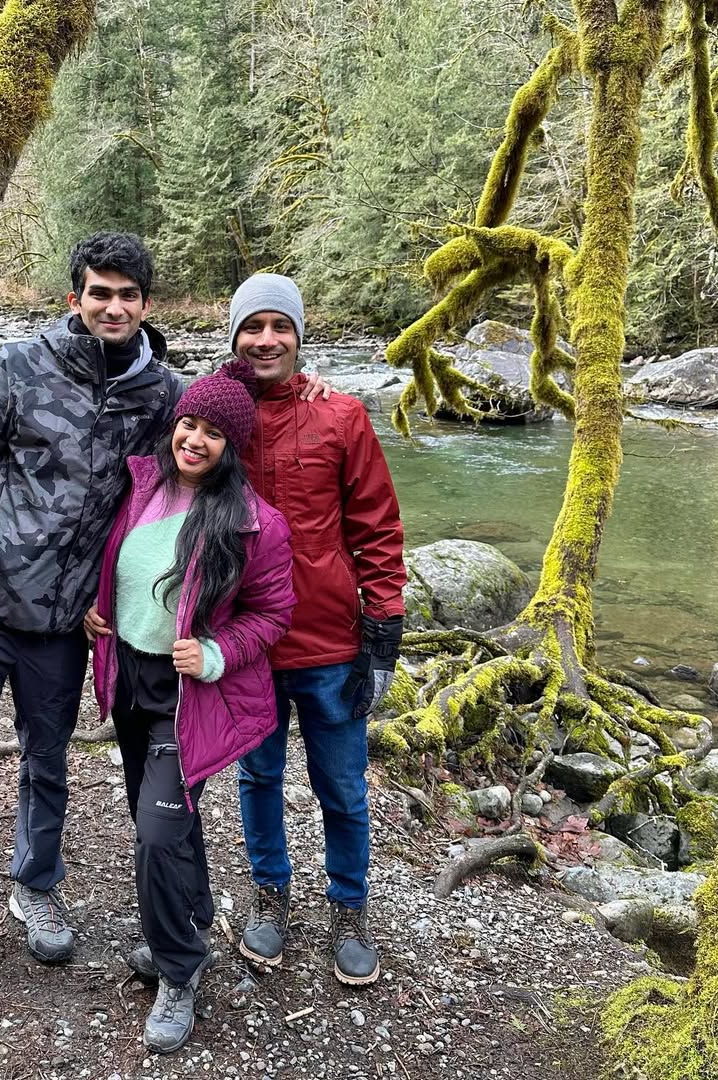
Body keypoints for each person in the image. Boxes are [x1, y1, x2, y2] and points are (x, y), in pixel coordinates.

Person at [0, 232, 185, 999]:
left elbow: (209, 454)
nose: (113, 307)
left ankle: (36, 885)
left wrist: (301, 386)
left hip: (64, 626)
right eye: (100, 293)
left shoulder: (161, 396)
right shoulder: (17, 368)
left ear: (145, 305)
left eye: (127, 295)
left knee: (47, 764)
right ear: (74, 298)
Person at [84, 360, 294, 1053]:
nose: (194, 440)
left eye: (213, 433)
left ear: (232, 447)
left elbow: (273, 615)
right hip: (130, 680)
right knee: (163, 823)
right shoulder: (141, 485)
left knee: (155, 830)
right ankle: (193, 912)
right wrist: (97, 611)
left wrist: (215, 652)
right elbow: (119, 568)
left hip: (190, 697)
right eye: (189, 424)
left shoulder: (254, 524)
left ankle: (179, 967)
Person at [230, 274, 407, 986]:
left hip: (331, 640)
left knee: (343, 787)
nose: (266, 340)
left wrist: (383, 630)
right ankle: (269, 893)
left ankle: (349, 907)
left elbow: (378, 526)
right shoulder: (217, 415)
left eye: (280, 326)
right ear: (234, 337)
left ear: (300, 336)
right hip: (246, 641)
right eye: (252, 327)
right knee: (257, 775)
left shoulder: (342, 414)